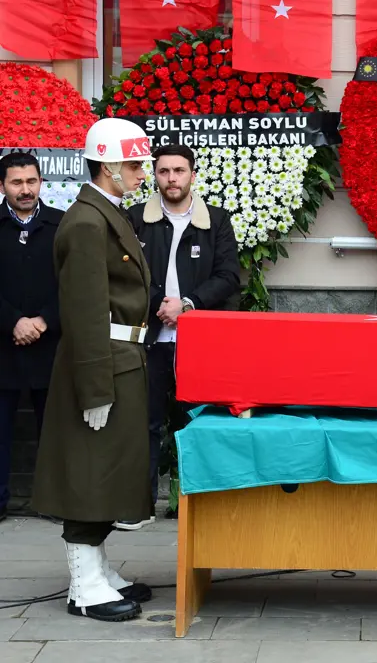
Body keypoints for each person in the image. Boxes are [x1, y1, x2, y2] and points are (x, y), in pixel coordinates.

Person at [30, 118, 154, 622]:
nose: (141, 172)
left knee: (108, 472)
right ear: (108, 166)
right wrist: (94, 387)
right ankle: (84, 586)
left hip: (119, 359)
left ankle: (98, 570)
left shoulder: (102, 214)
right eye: (134, 164)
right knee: (90, 472)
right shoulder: (86, 222)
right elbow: (83, 312)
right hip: (102, 362)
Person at [121, 143, 240, 531]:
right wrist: (161, 303)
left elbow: (228, 276)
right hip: (150, 338)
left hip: (198, 340)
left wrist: (188, 303)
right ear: (155, 176)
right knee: (144, 423)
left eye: (179, 171)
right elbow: (124, 275)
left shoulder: (216, 220)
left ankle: (203, 505)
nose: (171, 178)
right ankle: (139, 506)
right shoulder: (135, 219)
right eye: (164, 171)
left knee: (198, 422)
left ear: (192, 175)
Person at [0, 153, 63, 523]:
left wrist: (42, 321)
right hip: (3, 347)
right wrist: (14, 322)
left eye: (31, 181)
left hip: (51, 347)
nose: (25, 190)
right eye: (16, 182)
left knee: (55, 433)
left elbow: (75, 283)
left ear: (41, 182)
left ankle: (55, 503)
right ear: (2, 186)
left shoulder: (62, 225)